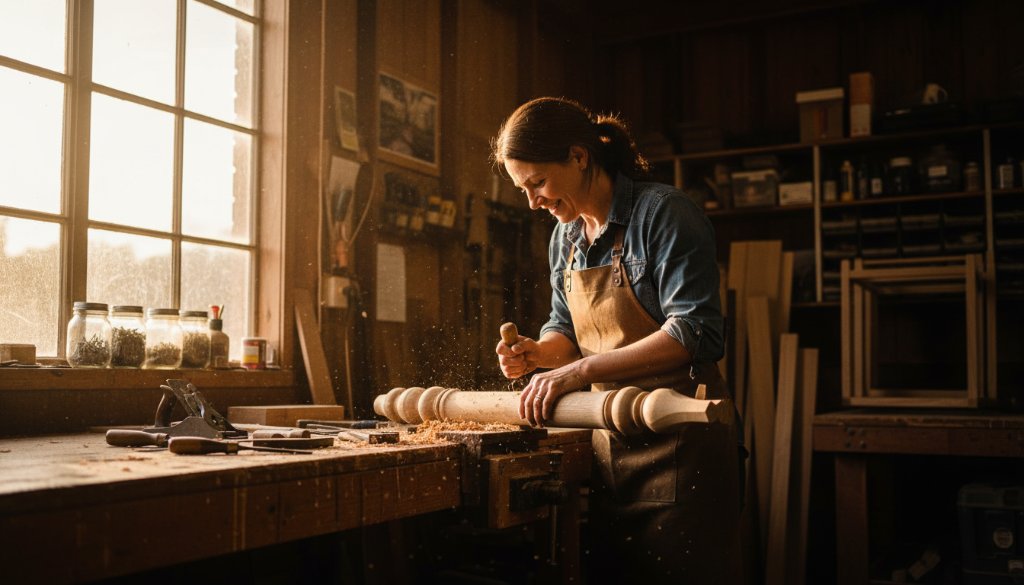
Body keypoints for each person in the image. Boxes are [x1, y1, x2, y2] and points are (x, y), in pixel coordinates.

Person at [490, 97, 742, 584]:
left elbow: (695, 332)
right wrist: (538, 354)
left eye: (538, 183)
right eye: (523, 188)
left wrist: (579, 372)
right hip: (611, 448)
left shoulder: (664, 214)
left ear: (579, 157)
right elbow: (563, 327)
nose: (532, 202)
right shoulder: (565, 238)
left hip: (681, 442)